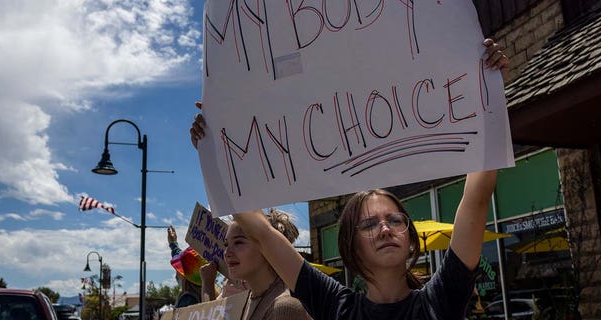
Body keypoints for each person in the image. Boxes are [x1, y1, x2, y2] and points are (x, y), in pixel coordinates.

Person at [190, 39, 508, 319]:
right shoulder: (335, 306)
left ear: (410, 239)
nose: (385, 229)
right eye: (370, 225)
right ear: (350, 246)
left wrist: (487, 86)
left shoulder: (440, 300)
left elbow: (478, 195)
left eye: (395, 221)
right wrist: (220, 142)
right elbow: (259, 230)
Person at [222, 208, 312, 320]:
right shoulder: (245, 302)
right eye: (226, 244)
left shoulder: (284, 308)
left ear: (266, 247)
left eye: (238, 242)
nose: (227, 253)